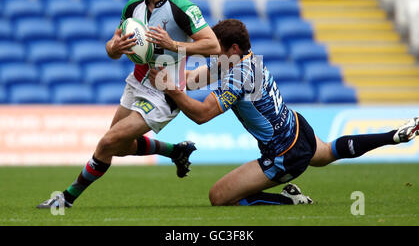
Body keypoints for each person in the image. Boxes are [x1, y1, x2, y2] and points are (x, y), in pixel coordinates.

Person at [149, 18, 419, 206]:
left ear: (232, 48)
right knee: (327, 154)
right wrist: (166, 77)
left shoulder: (241, 75)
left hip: (284, 153)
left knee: (219, 197)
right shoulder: (243, 59)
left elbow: (202, 114)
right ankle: (394, 136)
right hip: (298, 128)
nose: (209, 51)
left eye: (214, 47)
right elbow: (196, 78)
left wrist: (173, 91)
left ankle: (287, 199)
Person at [37, 0, 220, 209]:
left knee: (108, 142)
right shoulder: (133, 6)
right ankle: (175, 151)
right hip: (136, 83)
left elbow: (212, 46)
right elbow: (111, 46)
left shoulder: (182, 7)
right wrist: (114, 48)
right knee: (120, 147)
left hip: (164, 92)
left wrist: (173, 44)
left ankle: (66, 198)